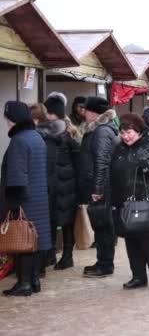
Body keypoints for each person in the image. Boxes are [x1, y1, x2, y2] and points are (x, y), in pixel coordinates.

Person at [110, 113, 149, 289]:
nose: (126, 136)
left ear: (138, 131)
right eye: (122, 133)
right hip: (125, 202)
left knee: (148, 239)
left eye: (129, 132)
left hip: (148, 200)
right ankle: (138, 276)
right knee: (130, 240)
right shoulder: (119, 148)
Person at [1, 101, 51, 296]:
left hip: (24, 198)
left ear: (13, 119)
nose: (7, 123)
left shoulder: (19, 140)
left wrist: (13, 204)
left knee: (21, 239)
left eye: (7, 119)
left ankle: (24, 284)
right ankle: (34, 281)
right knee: (33, 241)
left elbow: (16, 174)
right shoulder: (36, 137)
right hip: (38, 197)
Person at [38, 93, 81, 270]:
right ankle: (55, 255)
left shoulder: (65, 134)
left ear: (52, 113)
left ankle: (66, 256)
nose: (45, 115)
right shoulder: (64, 132)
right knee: (56, 221)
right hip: (59, 185)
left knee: (65, 222)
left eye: (47, 112)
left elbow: (78, 162)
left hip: (64, 185)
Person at [79, 97, 119, 278]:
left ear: (94, 112)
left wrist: (97, 189)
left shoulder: (101, 131)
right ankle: (103, 262)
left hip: (102, 188)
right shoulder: (102, 129)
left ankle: (105, 265)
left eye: (86, 110)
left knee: (103, 226)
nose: (83, 113)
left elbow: (102, 162)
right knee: (102, 226)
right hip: (102, 186)